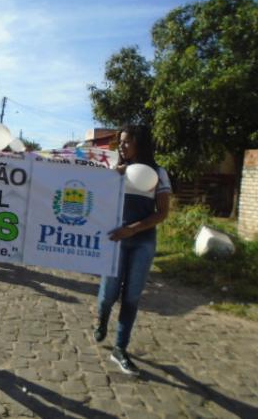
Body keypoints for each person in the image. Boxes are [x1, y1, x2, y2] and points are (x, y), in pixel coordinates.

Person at [94, 125, 171, 375]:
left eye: (127, 142)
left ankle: (120, 348)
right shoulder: (113, 170)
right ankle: (102, 317)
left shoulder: (158, 173)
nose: (122, 146)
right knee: (108, 294)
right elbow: (93, 194)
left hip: (143, 241)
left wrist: (134, 229)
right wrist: (111, 178)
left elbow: (163, 213)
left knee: (132, 297)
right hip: (115, 239)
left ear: (141, 144)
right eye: (121, 142)